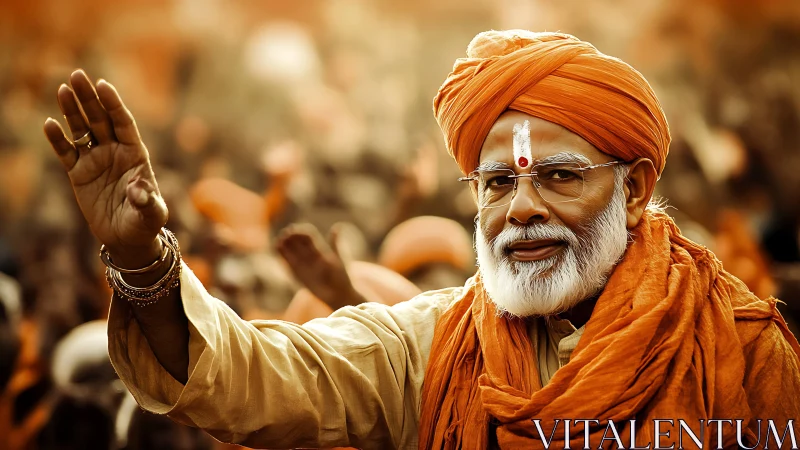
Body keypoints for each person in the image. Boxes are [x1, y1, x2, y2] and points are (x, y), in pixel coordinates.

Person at [43, 30, 800, 449]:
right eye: (496, 184)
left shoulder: (742, 347)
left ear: (633, 190)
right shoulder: (434, 348)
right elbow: (253, 376)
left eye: (559, 178)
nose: (521, 209)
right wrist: (141, 261)